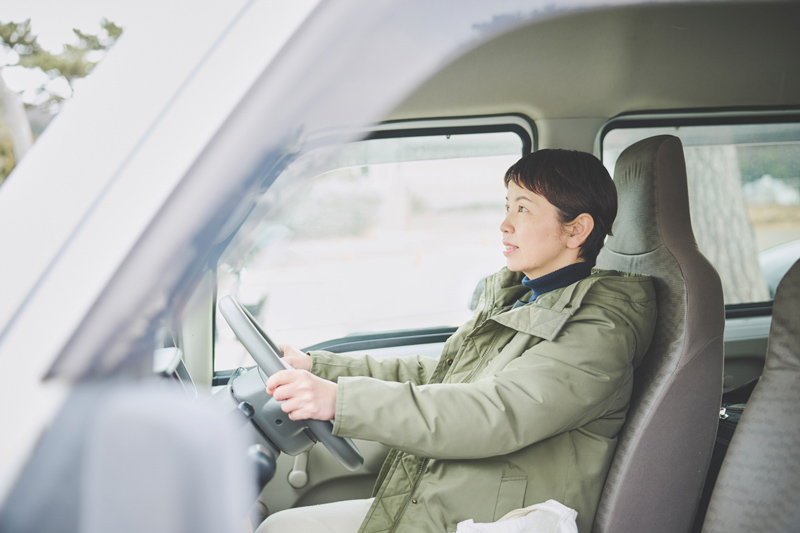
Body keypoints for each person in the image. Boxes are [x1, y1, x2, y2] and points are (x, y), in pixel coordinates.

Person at [258, 149, 658, 533]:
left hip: (494, 521)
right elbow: (441, 373)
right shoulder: (527, 299)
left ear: (576, 229)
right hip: (449, 504)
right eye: (507, 206)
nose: (505, 224)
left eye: (523, 208)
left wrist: (338, 400)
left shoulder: (600, 332)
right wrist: (320, 369)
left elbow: (492, 413)